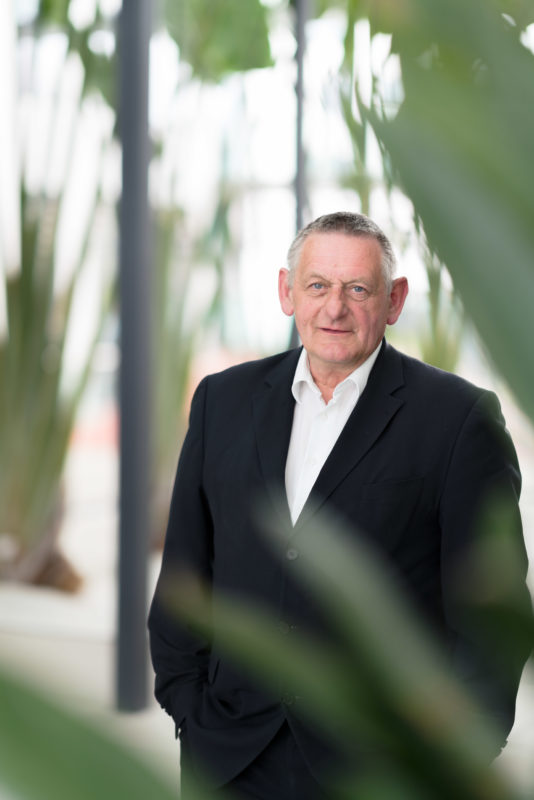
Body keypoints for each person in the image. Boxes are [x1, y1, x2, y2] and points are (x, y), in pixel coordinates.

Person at [148, 212, 531, 798]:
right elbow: (183, 574)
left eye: (358, 289)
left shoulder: (459, 421)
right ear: (286, 291)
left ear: (394, 300)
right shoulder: (220, 401)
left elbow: (491, 620)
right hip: (227, 758)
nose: (335, 309)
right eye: (318, 286)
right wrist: (189, 709)